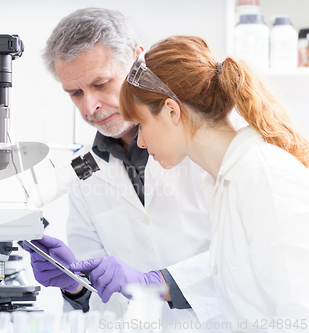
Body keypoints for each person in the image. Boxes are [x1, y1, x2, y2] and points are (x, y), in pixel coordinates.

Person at [25, 8, 233, 330]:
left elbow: (246, 257)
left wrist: (158, 282)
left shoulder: (204, 141)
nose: (89, 106)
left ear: (138, 60)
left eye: (101, 84)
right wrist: (75, 285)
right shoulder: (84, 173)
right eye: (75, 93)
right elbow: (101, 300)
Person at [92, 34, 309, 329]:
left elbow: (298, 315)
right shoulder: (223, 183)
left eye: (142, 124)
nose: (139, 141)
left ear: (171, 110)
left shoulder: (263, 176)